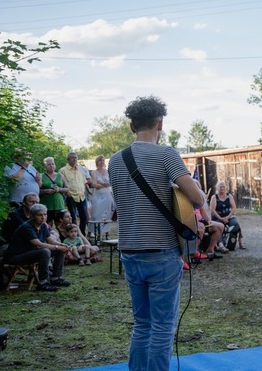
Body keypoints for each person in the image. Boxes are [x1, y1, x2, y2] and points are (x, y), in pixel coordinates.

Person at [108, 95, 205, 371]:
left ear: (131, 126)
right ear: (160, 123)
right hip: (161, 252)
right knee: (162, 328)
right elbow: (196, 199)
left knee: (142, 324)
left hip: (129, 251)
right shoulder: (166, 155)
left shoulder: (115, 161)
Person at [2, 203, 71, 292]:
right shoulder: (27, 227)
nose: (43, 217)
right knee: (45, 251)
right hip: (16, 256)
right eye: (40, 215)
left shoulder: (43, 225)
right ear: (32, 216)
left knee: (59, 250)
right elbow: (38, 244)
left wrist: (62, 245)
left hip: (31, 252)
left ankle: (55, 278)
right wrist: (58, 247)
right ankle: (42, 283)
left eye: (45, 214)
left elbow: (50, 240)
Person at [210, 180, 246, 250]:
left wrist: (228, 217)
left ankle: (240, 242)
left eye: (223, 187)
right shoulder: (214, 197)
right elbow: (212, 210)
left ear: (226, 188)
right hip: (217, 217)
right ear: (217, 188)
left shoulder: (229, 196)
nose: (222, 188)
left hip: (228, 216)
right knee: (219, 227)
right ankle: (221, 245)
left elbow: (233, 208)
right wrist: (220, 218)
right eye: (220, 187)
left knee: (236, 224)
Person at [59, 152, 89, 235]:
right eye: (72, 157)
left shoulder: (80, 169)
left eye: (76, 157)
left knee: (84, 217)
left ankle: (82, 234)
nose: (74, 159)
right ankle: (73, 235)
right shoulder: (63, 170)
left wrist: (86, 191)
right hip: (71, 196)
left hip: (81, 196)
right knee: (72, 218)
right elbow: (61, 184)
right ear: (68, 159)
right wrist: (67, 193)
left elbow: (84, 182)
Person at [39, 156, 69, 226]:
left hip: (59, 205)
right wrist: (46, 191)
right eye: (49, 164)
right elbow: (37, 190)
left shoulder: (60, 176)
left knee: (60, 225)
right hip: (46, 205)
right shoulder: (41, 176)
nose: (51, 166)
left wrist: (59, 189)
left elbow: (67, 189)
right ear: (45, 166)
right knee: (47, 225)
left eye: (53, 164)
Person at [89, 155, 115, 239]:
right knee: (96, 213)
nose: (102, 162)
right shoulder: (94, 172)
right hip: (98, 195)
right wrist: (104, 184)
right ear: (97, 162)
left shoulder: (108, 171)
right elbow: (94, 184)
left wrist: (105, 184)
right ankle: (93, 231)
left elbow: (111, 183)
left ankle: (106, 233)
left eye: (103, 160)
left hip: (107, 195)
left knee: (106, 214)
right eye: (100, 160)